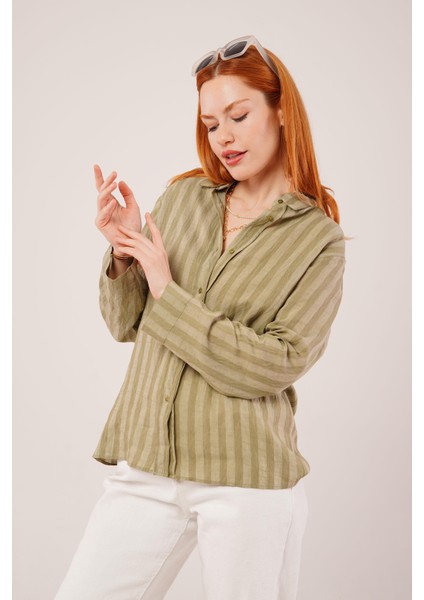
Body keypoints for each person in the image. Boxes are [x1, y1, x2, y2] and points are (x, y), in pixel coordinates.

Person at [55, 35, 347, 600]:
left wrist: (167, 290)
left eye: (238, 116)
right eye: (211, 124)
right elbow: (124, 325)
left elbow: (275, 363)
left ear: (280, 111)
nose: (224, 137)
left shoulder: (318, 239)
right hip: (148, 464)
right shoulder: (183, 198)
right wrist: (124, 250)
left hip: (248, 482)